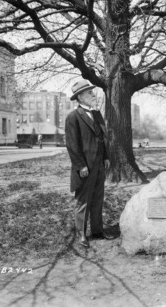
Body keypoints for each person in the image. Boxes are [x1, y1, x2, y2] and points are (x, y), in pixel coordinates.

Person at [65, 79, 115, 248]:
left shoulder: (96, 114)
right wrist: (81, 166)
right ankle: (81, 234)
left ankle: (97, 231)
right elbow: (72, 144)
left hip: (99, 164)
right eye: (89, 93)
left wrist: (106, 157)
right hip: (85, 167)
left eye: (92, 92)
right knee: (83, 201)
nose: (93, 95)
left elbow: (102, 138)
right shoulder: (73, 117)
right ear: (80, 97)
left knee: (98, 199)